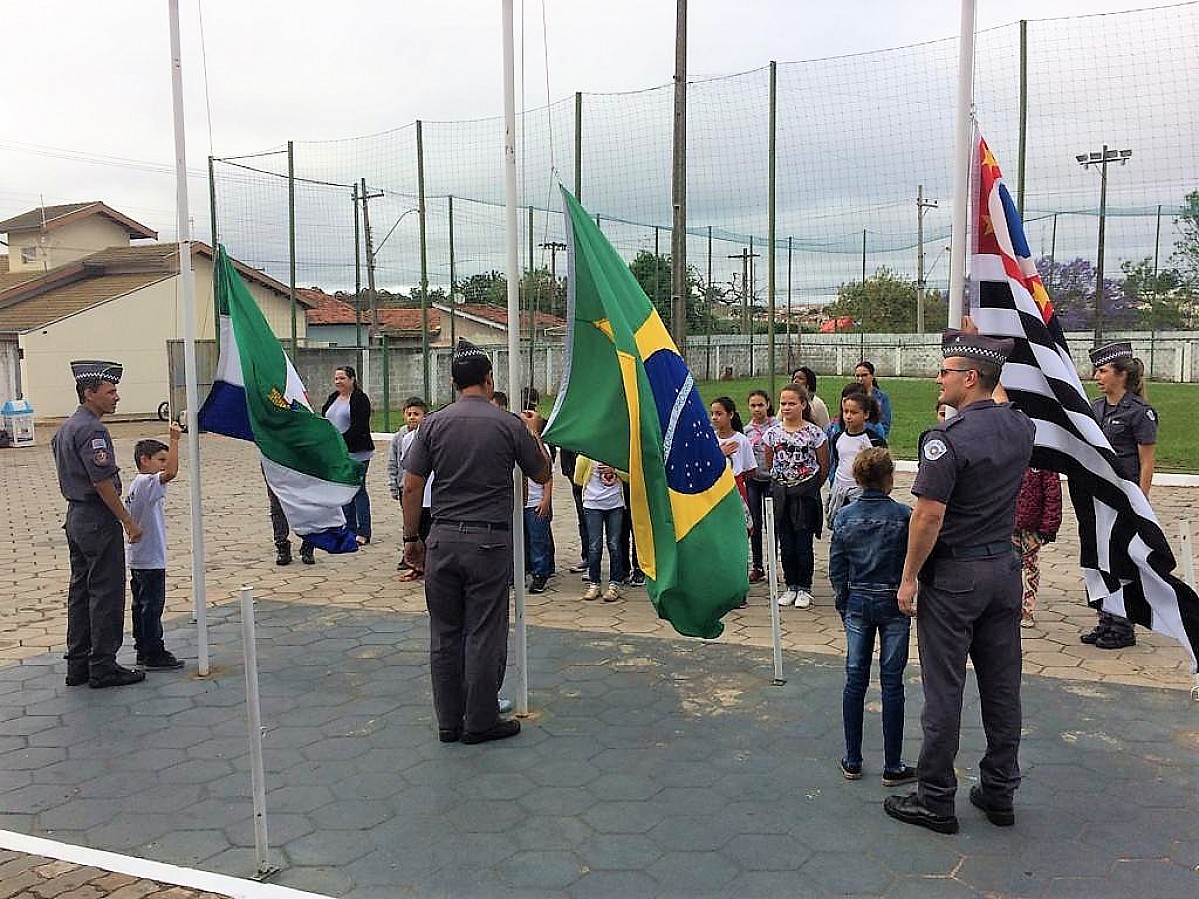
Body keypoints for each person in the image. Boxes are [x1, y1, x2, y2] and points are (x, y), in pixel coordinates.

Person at [883, 330, 1034, 835]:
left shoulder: (945, 439)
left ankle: (935, 799)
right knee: (1002, 686)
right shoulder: (1020, 427)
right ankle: (999, 791)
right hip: (1003, 572)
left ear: (970, 379)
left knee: (944, 691)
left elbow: (926, 517)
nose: (938, 377)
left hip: (954, 578)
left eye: (946, 370)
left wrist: (908, 578)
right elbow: (1001, 402)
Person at [402, 339, 551, 745]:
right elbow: (540, 474)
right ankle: (481, 719)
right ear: (489, 380)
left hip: (442, 541)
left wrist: (411, 537)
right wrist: (533, 432)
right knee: (484, 632)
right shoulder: (508, 424)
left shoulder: (431, 423)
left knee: (445, 633)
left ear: (452, 382)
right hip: (488, 543)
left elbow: (411, 485)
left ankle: (449, 722)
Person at [51, 360, 145, 689]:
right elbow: (102, 482)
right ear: (90, 394)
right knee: (105, 592)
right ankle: (103, 665)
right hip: (96, 518)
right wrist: (128, 521)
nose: (116, 397)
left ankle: (78, 663)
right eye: (110, 391)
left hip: (76, 517)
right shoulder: (93, 430)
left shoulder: (66, 427)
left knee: (80, 592)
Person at [829, 448, 915, 787]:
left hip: (858, 599)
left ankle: (853, 758)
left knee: (855, 679)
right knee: (892, 682)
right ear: (889, 479)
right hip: (894, 600)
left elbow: (837, 565)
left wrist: (843, 601)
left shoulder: (845, 516)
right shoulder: (903, 515)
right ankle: (892, 764)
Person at [1080, 340, 1157, 650]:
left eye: (1103, 371)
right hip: (1097, 498)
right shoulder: (1094, 409)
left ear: (1121, 374)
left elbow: (1147, 461)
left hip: (1124, 499)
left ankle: (1124, 626)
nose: (1097, 377)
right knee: (1099, 558)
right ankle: (1106, 618)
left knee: (1121, 559)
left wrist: (1141, 502)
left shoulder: (1140, 413)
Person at [124, 424, 186, 672]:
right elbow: (171, 473)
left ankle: (143, 647)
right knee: (151, 605)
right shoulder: (146, 482)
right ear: (144, 460)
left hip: (141, 557)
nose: (164, 464)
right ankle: (152, 650)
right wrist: (175, 440)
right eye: (160, 459)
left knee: (141, 605)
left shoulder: (139, 485)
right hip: (149, 559)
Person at [763, 383, 829, 609]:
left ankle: (805, 587)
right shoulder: (772, 434)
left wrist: (810, 486)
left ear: (803, 404)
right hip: (782, 493)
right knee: (786, 544)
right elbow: (770, 462)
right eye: (783, 403)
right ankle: (790, 585)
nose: (787, 407)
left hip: (805, 494)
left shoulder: (815, 433)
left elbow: (823, 465)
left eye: (792, 403)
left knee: (803, 543)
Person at [322, 365, 373, 545]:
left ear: (352, 379)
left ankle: (363, 531)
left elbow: (359, 427)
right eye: (336, 378)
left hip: (357, 452)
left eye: (342, 378)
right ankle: (348, 528)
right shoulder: (333, 398)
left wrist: (341, 442)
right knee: (344, 490)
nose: (338, 382)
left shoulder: (360, 399)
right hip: (337, 452)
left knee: (358, 490)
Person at [825, 391, 887, 529]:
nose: (848, 416)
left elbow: (882, 469)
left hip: (862, 492)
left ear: (865, 414)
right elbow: (837, 461)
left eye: (853, 412)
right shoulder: (837, 438)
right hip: (840, 491)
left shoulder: (874, 440)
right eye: (845, 411)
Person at [1013, 468, 1062, 628]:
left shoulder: (1043, 459)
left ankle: (1028, 608)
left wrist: (1049, 527)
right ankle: (1010, 605)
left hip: (1032, 524)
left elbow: (1053, 493)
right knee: (1009, 566)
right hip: (1008, 522)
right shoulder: (1009, 452)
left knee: (1031, 566)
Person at [574, 456, 627, 602]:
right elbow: (577, 478)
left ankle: (615, 584)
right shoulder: (586, 454)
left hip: (615, 504)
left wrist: (614, 469)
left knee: (614, 545)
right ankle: (594, 583)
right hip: (592, 504)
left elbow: (629, 475)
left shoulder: (616, 450)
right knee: (594, 546)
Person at [388, 397, 429, 572]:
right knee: (408, 522)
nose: (412, 417)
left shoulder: (427, 435)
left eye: (417, 414)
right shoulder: (400, 436)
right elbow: (393, 462)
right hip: (404, 486)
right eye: (409, 414)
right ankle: (408, 554)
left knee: (424, 523)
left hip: (422, 489)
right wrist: (394, 484)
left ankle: (424, 555)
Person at [743, 390, 776, 583]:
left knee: (774, 524)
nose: (757, 409)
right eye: (753, 405)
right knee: (754, 523)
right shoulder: (747, 431)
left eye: (760, 405)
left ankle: (774, 563)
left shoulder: (776, 427)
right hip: (753, 481)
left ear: (768, 405)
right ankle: (757, 565)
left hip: (772, 480)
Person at [523, 413, 554, 594]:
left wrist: (546, 500)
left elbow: (547, 474)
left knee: (538, 540)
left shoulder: (540, 448)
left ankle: (540, 574)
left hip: (536, 501)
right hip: (518, 503)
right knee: (523, 540)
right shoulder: (514, 446)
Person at [854, 360, 893, 436]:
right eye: (858, 376)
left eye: (864, 375)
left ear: (872, 376)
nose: (860, 379)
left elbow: (886, 423)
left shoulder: (882, 398)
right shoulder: (851, 396)